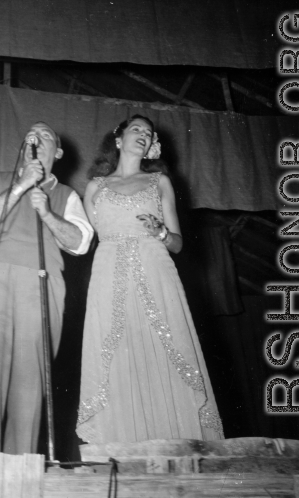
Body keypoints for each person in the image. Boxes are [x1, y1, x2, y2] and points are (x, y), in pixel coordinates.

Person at [76, 115, 223, 445]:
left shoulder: (159, 181)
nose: (143, 134)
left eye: (148, 132)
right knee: (114, 355)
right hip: (108, 272)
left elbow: (178, 243)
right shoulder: (95, 187)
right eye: (136, 129)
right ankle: (120, 444)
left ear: (153, 143)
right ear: (119, 139)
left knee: (166, 349)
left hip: (155, 269)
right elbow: (82, 239)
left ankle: (180, 443)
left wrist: (159, 231)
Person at [0, 121, 94, 460]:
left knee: (30, 382)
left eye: (45, 135)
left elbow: (81, 242)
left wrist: (46, 212)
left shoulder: (67, 196)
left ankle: (21, 469)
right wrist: (18, 186)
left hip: (41, 284)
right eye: (30, 135)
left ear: (58, 152)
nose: (36, 138)